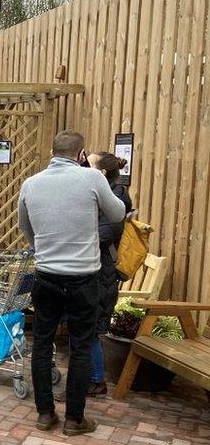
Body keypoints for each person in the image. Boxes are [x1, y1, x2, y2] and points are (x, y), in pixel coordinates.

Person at [18, 131, 127, 436]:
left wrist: (44, 248)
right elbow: (118, 213)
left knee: (42, 343)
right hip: (83, 277)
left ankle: (44, 414)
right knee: (80, 345)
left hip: (46, 275)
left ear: (52, 152)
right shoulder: (92, 179)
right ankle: (75, 419)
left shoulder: (31, 183)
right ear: (80, 155)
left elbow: (25, 227)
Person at [85, 152, 133, 397]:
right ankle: (91, 379)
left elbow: (105, 234)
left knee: (89, 329)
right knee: (85, 328)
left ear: (101, 174)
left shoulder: (116, 199)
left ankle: (95, 381)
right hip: (95, 270)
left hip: (101, 273)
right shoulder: (104, 194)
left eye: (88, 165)